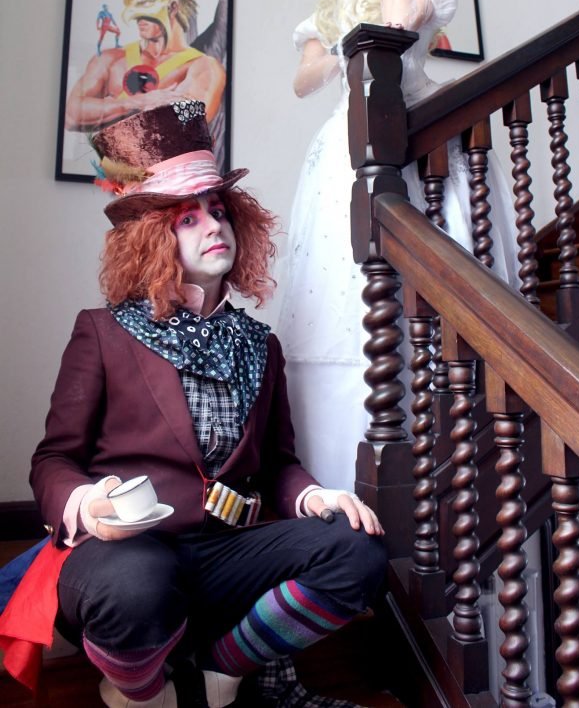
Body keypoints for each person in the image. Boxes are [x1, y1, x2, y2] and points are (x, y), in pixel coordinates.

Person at [0, 98, 387, 708]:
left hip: (225, 551)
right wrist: (86, 504)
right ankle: (142, 692)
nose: (214, 226)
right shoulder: (102, 331)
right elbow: (53, 459)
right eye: (188, 218)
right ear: (153, 238)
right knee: (138, 585)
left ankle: (220, 670)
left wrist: (316, 497)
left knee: (358, 550)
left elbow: (277, 464)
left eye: (219, 211)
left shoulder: (261, 344)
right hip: (124, 555)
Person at [277, 0, 520, 492]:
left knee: (437, 287)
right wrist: (339, 46)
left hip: (419, 131)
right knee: (352, 295)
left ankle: (451, 460)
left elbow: (399, 21)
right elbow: (303, 80)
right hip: (348, 143)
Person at [65, 0, 226, 142]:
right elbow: (72, 114)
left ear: (172, 7)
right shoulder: (110, 60)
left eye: (147, 6)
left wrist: (107, 107)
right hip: (109, 163)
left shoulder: (204, 67)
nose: (136, 16)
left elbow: (183, 129)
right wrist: (139, 102)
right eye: (133, 8)